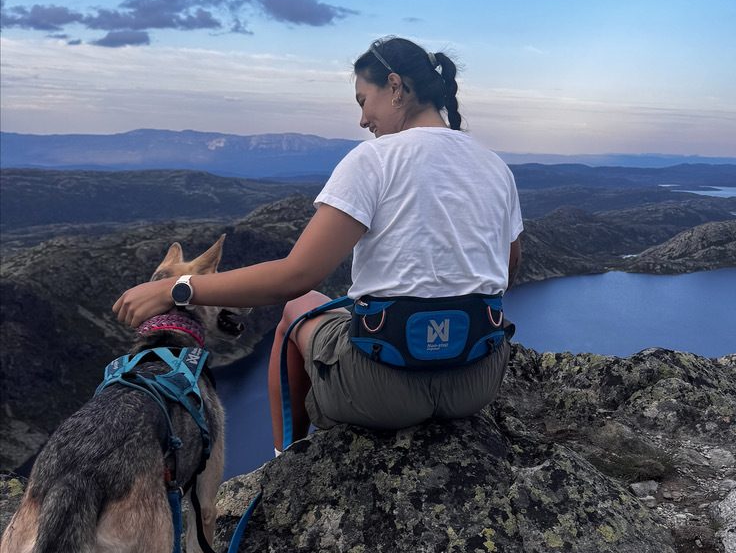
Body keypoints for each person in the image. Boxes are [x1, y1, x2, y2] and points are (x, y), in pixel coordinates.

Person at [113, 37, 523, 451]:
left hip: (381, 393)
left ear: (396, 86)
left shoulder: (374, 159)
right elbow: (506, 272)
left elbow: (295, 276)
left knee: (298, 305)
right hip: (476, 383)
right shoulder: (496, 167)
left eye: (364, 100)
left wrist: (175, 288)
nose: (364, 119)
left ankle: (284, 459)